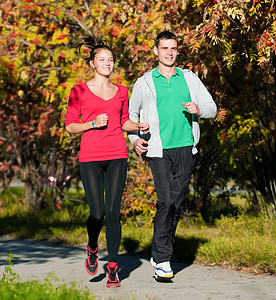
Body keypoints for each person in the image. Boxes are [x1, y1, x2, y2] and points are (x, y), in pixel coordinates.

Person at [127, 31, 217, 281]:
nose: (169, 52)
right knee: (166, 201)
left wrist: (199, 109)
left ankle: (158, 252)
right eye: (164, 48)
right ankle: (163, 259)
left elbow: (212, 108)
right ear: (155, 51)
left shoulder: (188, 78)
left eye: (173, 48)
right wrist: (135, 140)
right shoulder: (145, 82)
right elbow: (131, 118)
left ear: (177, 51)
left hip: (186, 147)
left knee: (175, 204)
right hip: (157, 149)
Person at [64, 34, 149, 288]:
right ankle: (92, 246)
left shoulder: (122, 91)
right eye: (102, 59)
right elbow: (70, 126)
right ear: (92, 63)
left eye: (110, 60)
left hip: (116, 155)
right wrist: (92, 124)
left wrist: (138, 125)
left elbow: (124, 122)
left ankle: (112, 267)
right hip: (90, 157)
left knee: (113, 212)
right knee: (97, 213)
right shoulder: (78, 90)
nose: (107, 63)